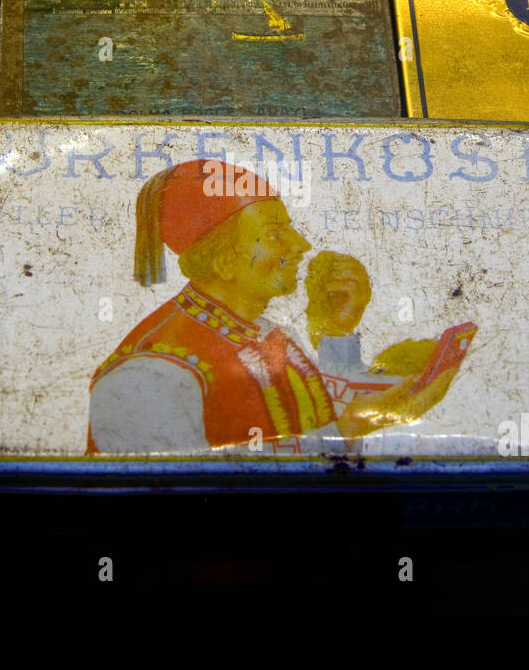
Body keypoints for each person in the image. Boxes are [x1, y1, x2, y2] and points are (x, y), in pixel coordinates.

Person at [87, 159, 454, 454]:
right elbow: (193, 501)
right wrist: (355, 427)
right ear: (222, 261)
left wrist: (338, 332)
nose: (301, 245)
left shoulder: (267, 333)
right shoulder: (152, 373)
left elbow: (313, 415)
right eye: (276, 233)